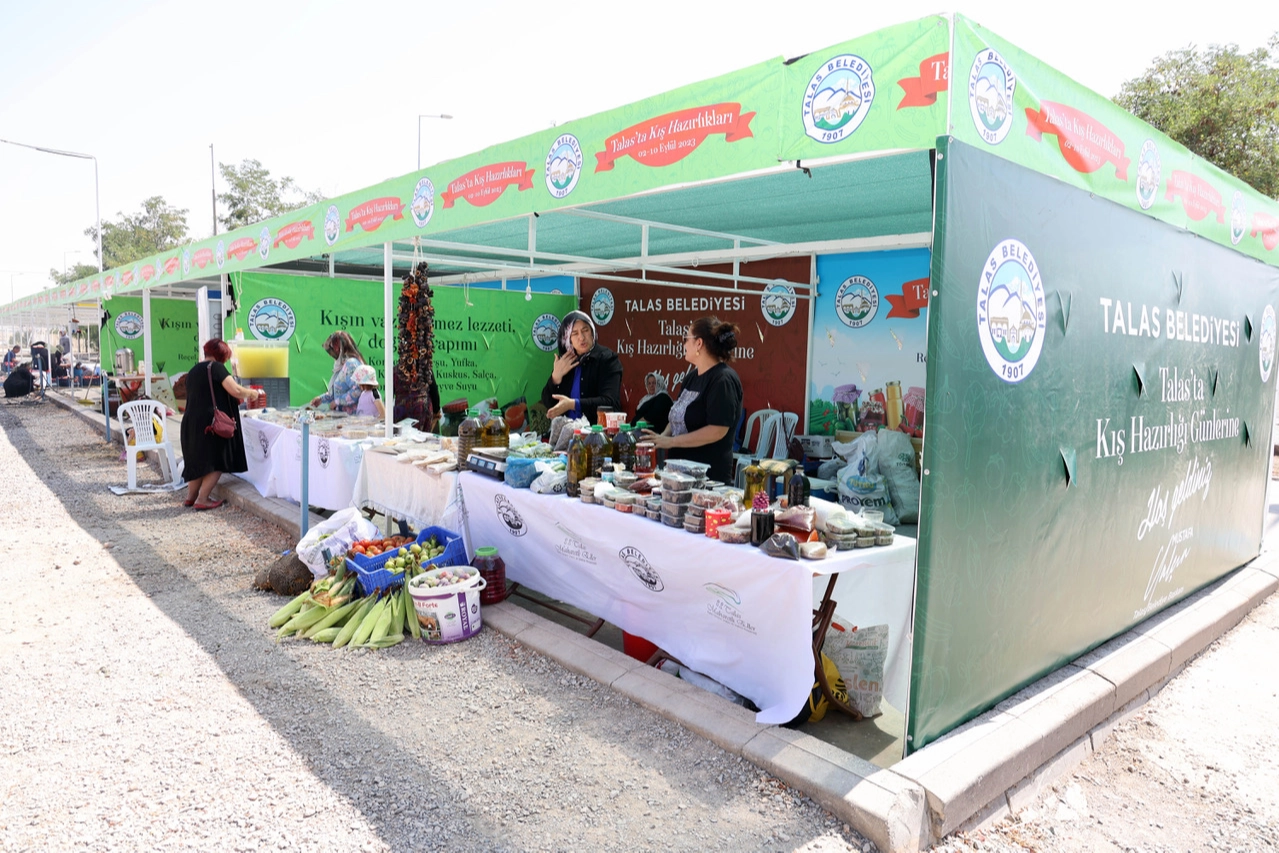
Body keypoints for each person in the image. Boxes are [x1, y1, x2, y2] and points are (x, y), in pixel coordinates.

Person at [640, 317, 743, 483]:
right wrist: (660, 438)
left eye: (686, 339)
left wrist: (671, 441)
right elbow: (677, 416)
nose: (683, 345)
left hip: (708, 479)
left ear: (699, 344)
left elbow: (717, 430)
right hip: (679, 475)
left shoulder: (723, 379)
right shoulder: (691, 377)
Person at [180, 338, 264, 510]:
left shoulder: (194, 370)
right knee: (218, 459)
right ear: (222, 355)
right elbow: (236, 389)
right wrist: (253, 393)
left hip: (190, 422)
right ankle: (203, 499)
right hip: (210, 423)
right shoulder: (216, 367)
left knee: (197, 460)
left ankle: (191, 497)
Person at [541, 310, 622, 423]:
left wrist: (572, 404)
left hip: (597, 434)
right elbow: (548, 403)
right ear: (567, 338)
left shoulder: (607, 359)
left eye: (585, 330)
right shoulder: (566, 360)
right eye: (574, 333)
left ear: (592, 332)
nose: (582, 337)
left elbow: (610, 402)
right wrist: (555, 378)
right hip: (566, 433)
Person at [309, 330, 364, 413]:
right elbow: (337, 391)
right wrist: (321, 399)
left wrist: (337, 402)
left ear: (339, 349)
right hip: (343, 416)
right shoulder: (343, 365)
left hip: (351, 417)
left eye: (331, 350)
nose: (330, 354)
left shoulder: (351, 364)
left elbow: (357, 390)